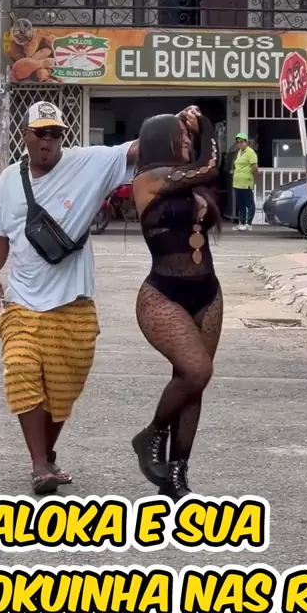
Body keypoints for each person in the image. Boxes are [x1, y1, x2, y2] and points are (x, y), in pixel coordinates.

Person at [0, 100, 140, 494]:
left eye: (55, 134)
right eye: (41, 133)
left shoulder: (87, 163)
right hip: (22, 302)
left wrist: (176, 123)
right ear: (25, 136)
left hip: (74, 304)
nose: (48, 141)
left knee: (62, 389)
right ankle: (39, 463)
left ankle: (46, 455)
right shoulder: (9, 180)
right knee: (20, 370)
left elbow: (135, 149)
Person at [131, 107, 223, 502]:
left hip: (208, 292)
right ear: (161, 143)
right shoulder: (148, 180)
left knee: (193, 384)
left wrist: (197, 133)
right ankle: (151, 435)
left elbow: (204, 172)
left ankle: (176, 476)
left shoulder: (188, 184)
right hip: (162, 293)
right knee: (197, 369)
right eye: (181, 138)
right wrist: (205, 126)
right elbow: (210, 166)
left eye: (188, 139)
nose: (187, 142)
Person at [232, 132, 258, 232]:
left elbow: (255, 168)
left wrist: (254, 180)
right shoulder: (239, 152)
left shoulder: (250, 152)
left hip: (246, 182)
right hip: (237, 183)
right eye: (238, 142)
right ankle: (242, 223)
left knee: (249, 204)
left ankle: (249, 223)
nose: (240, 144)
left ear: (246, 142)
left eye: (242, 142)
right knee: (240, 204)